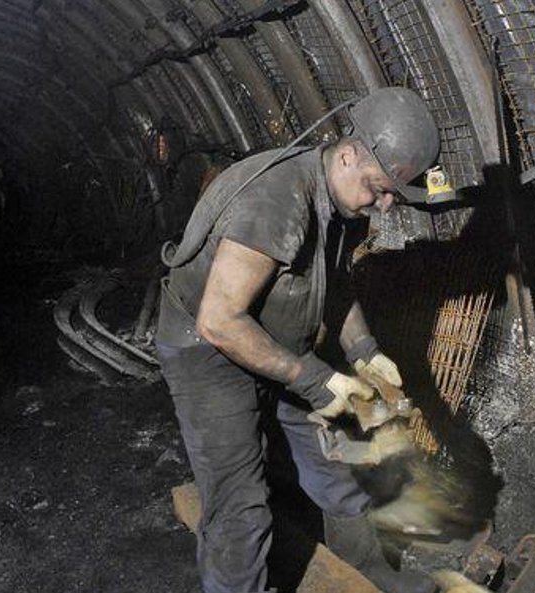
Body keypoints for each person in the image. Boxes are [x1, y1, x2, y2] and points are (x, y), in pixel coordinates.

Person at [155, 87, 441, 593]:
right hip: (207, 352)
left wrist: (365, 352)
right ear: (349, 155)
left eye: (395, 192)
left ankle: (366, 571)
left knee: (334, 460)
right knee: (240, 503)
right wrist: (314, 378)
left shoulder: (343, 205)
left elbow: (336, 285)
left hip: (276, 338)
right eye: (380, 187)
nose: (386, 202)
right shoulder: (279, 200)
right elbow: (219, 322)